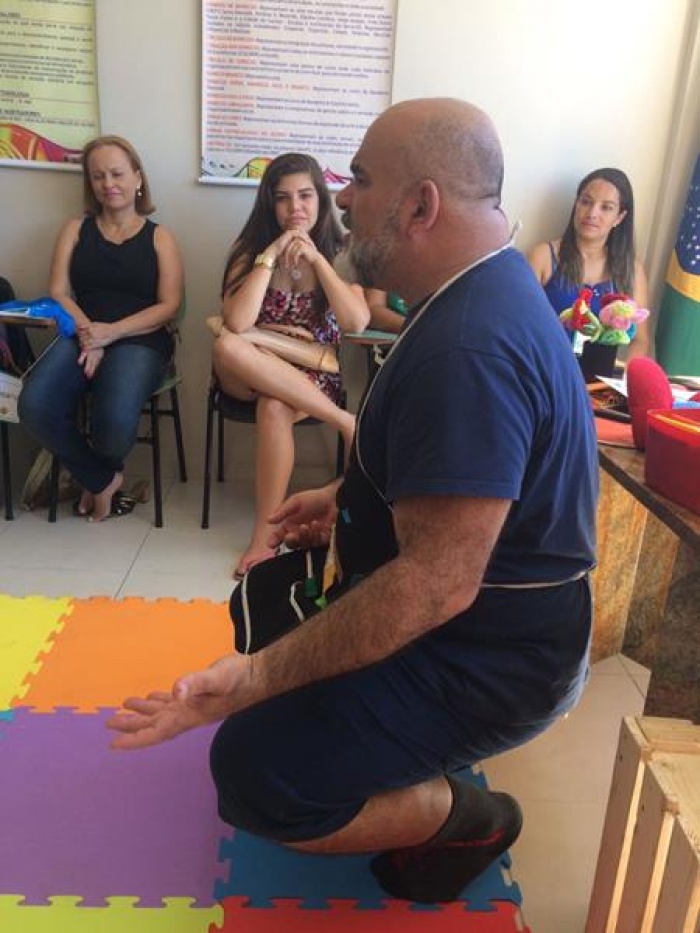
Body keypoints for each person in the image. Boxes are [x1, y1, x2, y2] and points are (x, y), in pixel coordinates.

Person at [107, 99, 599, 905]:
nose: (344, 198)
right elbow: (477, 478)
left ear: (421, 205)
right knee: (266, 597)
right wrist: (352, 496)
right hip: (481, 620)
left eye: (360, 180)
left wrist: (252, 680)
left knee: (253, 771)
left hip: (495, 660)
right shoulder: (480, 287)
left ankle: (466, 815)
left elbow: (436, 584)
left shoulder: (469, 346)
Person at [211, 153, 369, 580]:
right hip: (250, 367)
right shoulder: (249, 251)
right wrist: (271, 254)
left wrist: (317, 260)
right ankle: (345, 421)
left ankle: (263, 538)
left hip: (309, 376)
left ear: (321, 199)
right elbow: (238, 323)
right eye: (282, 198)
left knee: (275, 406)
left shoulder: (342, 252)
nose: (294, 207)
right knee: (227, 346)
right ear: (269, 204)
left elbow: (355, 322)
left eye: (305, 196)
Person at [18, 135, 183, 523]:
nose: (108, 183)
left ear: (137, 177)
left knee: (114, 421)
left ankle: (90, 479)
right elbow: (58, 292)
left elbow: (169, 306)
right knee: (34, 404)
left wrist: (112, 333)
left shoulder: (160, 237)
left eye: (117, 173)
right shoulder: (76, 228)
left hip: (141, 338)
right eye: (97, 176)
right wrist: (90, 335)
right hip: (81, 331)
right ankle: (102, 479)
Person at [528, 167, 650, 359]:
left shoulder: (633, 270)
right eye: (586, 202)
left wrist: (626, 373)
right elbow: (519, 323)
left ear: (619, 217)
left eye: (606, 207)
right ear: (576, 204)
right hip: (547, 370)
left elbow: (640, 340)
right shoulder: (543, 256)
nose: (592, 213)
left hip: (601, 375)